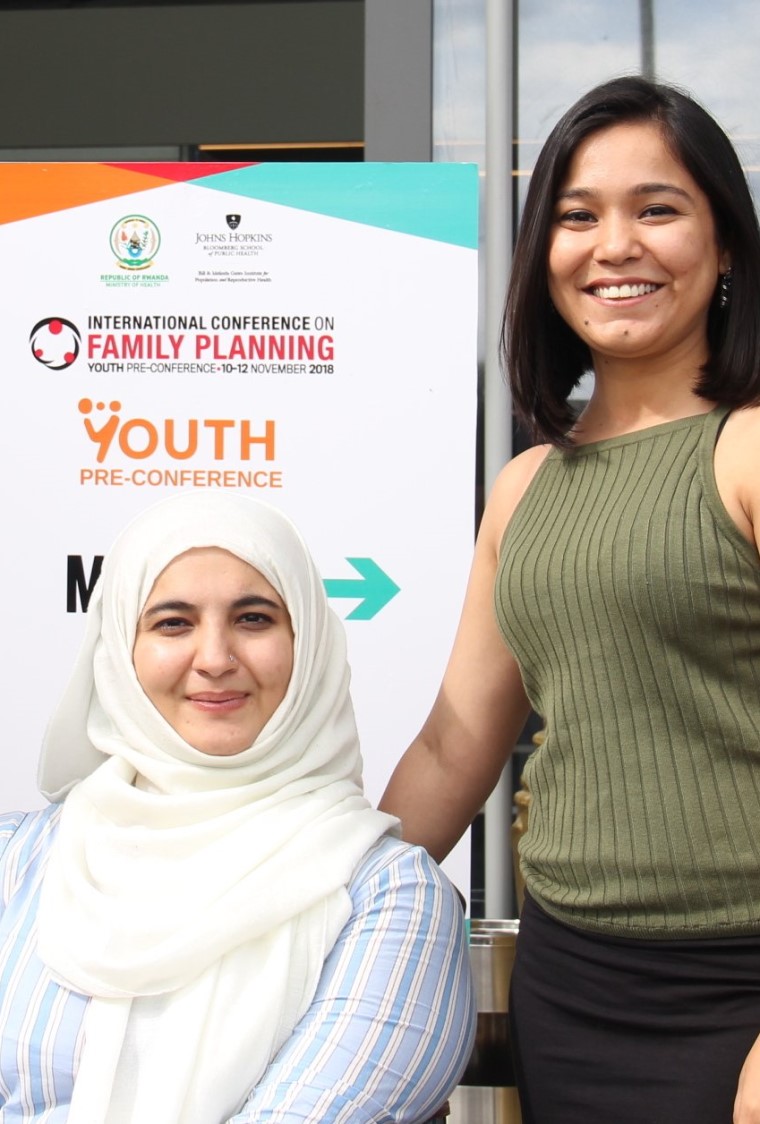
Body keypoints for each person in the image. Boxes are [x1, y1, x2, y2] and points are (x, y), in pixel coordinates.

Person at [379, 74, 760, 1124]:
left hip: (739, 987)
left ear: (724, 244)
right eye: (577, 214)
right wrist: (326, 907)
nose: (614, 244)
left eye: (658, 209)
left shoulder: (748, 449)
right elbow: (454, 751)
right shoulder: (525, 485)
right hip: (570, 982)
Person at [0, 490, 475, 1123]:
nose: (216, 659)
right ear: (119, 651)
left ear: (307, 645)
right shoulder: (18, 863)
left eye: (253, 619)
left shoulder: (390, 898)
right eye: (173, 623)